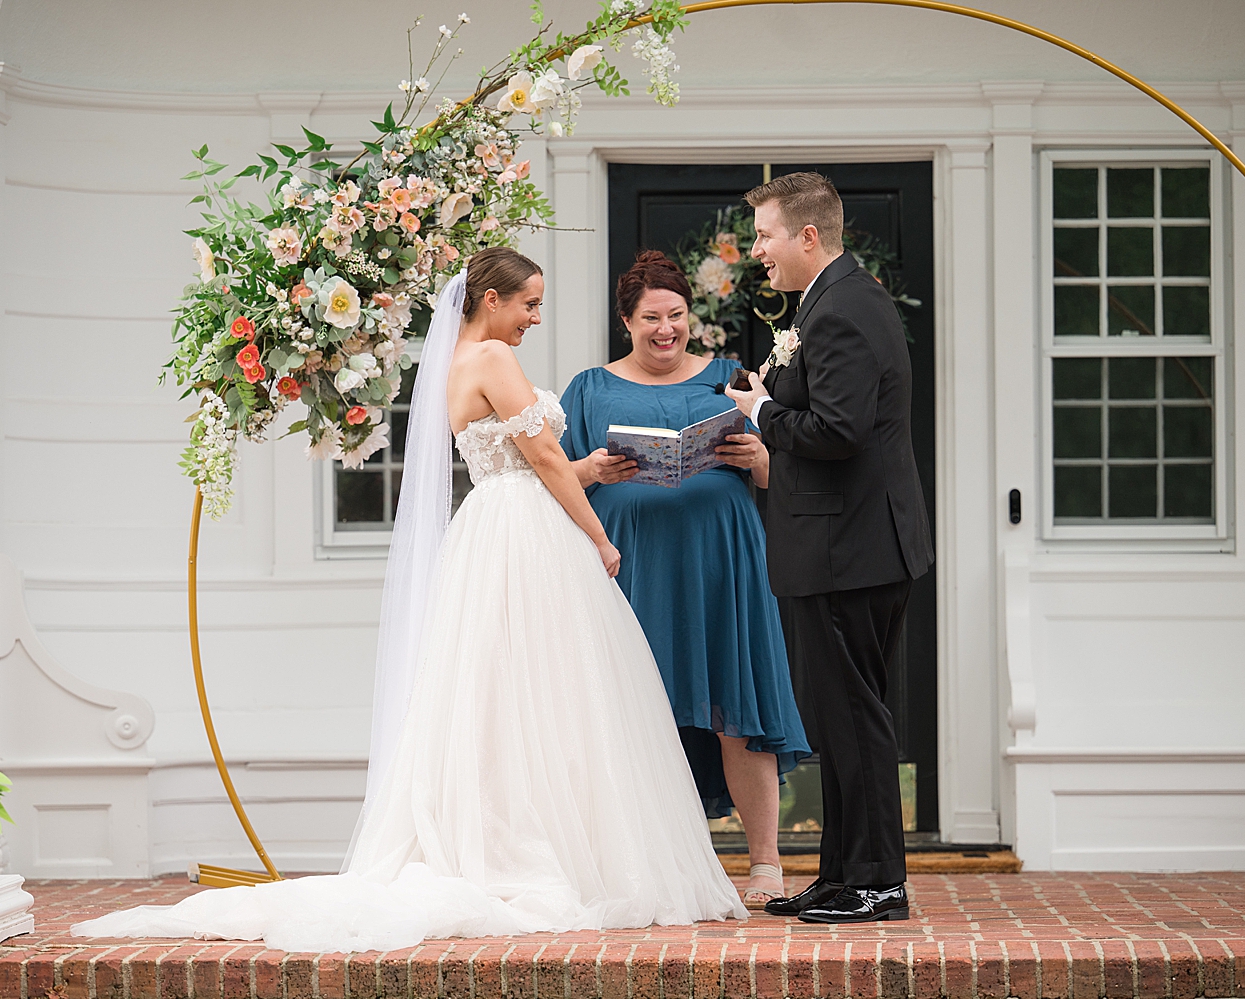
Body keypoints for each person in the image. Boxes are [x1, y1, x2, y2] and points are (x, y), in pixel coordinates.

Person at [71, 247, 745, 952]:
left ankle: (519, 831)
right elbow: (541, 460)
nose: (534, 317)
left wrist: (585, 469)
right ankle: (561, 844)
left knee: (502, 693)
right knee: (555, 687)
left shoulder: (453, 362)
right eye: (528, 304)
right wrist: (600, 535)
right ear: (491, 300)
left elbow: (517, 461)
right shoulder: (491, 359)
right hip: (525, 534)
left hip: (492, 523)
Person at [559, 250, 812, 910]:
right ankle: (641, 863)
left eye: (676, 315)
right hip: (630, 563)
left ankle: (765, 863)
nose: (665, 329)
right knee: (631, 711)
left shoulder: (731, 377)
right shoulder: (587, 388)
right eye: (651, 318)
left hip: (721, 561)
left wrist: (760, 455)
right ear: (626, 320)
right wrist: (592, 468)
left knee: (739, 704)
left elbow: (779, 478)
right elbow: (550, 479)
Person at [725, 172, 934, 924]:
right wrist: (771, 396)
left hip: (850, 548)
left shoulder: (842, 309)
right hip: (854, 544)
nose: (758, 252)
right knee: (844, 715)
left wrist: (762, 409)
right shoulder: (838, 300)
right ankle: (844, 874)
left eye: (766, 236)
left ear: (807, 235)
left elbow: (838, 432)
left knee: (854, 716)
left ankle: (879, 880)